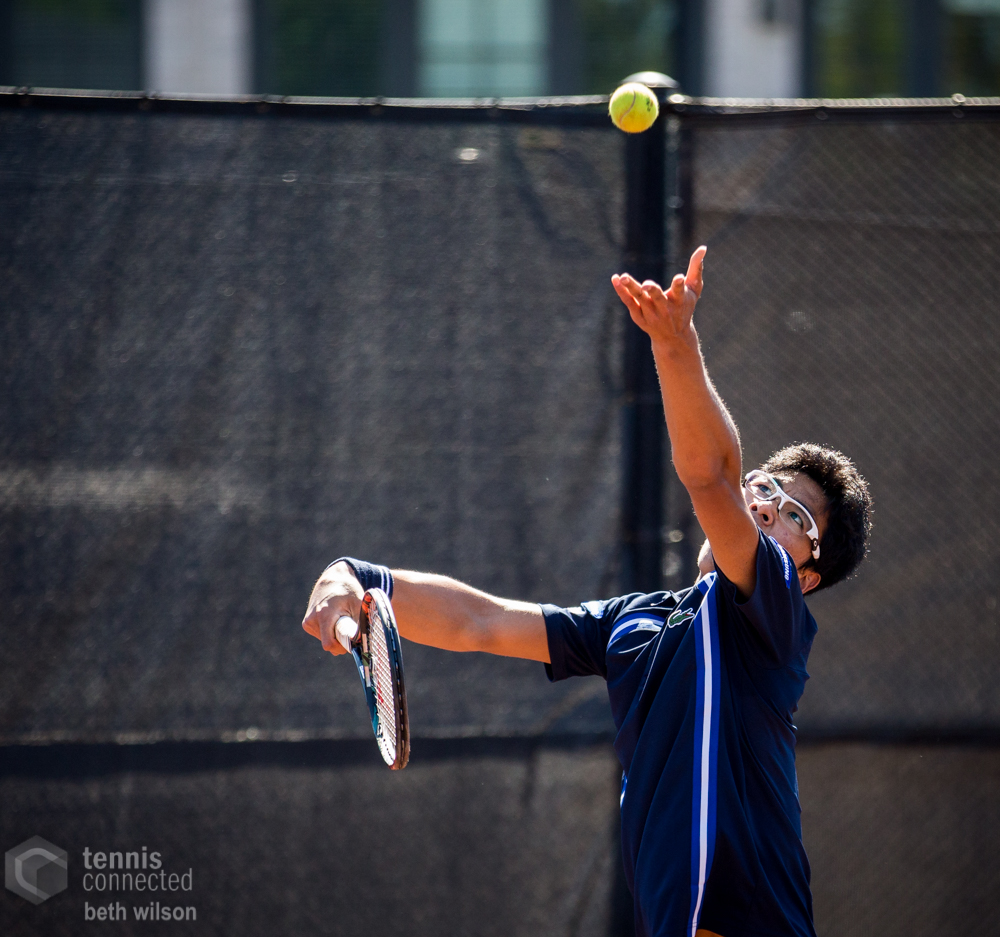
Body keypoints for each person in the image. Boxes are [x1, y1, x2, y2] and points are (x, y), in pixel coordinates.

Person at [302, 247, 873, 937]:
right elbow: (483, 620)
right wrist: (366, 579)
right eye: (768, 488)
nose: (766, 507)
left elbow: (713, 477)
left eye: (795, 516)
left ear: (806, 573)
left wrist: (675, 345)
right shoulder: (633, 626)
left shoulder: (773, 619)